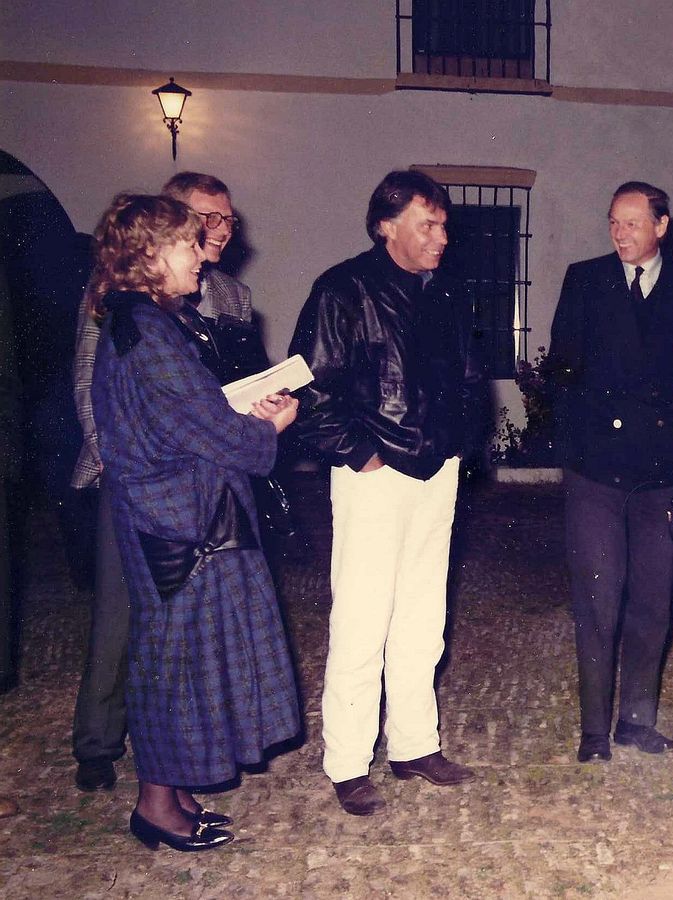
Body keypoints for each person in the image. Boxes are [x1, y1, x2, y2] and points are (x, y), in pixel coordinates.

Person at [88, 193, 300, 850]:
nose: (199, 258)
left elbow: (188, 416)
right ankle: (156, 806)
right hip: (179, 523)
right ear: (151, 255)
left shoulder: (145, 322)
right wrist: (268, 427)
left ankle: (173, 790)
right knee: (172, 663)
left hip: (176, 517)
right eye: (187, 244)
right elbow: (210, 431)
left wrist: (238, 414)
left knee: (180, 658)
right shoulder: (149, 335)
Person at [288, 170, 483, 816]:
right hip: (374, 474)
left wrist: (459, 445)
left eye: (443, 225)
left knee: (424, 617)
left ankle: (414, 744)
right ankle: (347, 762)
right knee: (362, 618)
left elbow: (469, 378)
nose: (441, 237)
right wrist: (360, 455)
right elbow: (311, 389)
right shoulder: (341, 290)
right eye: (427, 225)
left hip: (436, 471)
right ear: (385, 227)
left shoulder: (448, 292)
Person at [68, 172, 262, 794]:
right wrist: (117, 460)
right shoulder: (119, 300)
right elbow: (92, 383)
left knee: (182, 632)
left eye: (227, 219)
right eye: (206, 220)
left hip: (204, 471)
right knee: (122, 619)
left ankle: (180, 766)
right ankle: (99, 744)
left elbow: (226, 379)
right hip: (139, 475)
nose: (219, 231)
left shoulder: (231, 294)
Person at [549, 181, 673, 763]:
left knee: (653, 600)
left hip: (661, 472)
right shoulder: (585, 280)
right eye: (614, 223)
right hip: (596, 471)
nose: (620, 234)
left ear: (661, 226)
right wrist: (576, 448)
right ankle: (594, 730)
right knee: (598, 600)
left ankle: (636, 720)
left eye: (633, 223)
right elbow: (561, 372)